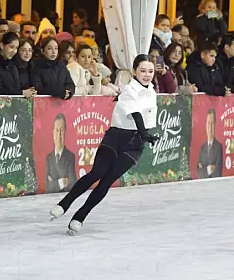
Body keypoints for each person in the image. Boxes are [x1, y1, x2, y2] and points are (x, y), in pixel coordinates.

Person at [49, 54, 159, 235]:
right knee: (98, 172)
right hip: (116, 138)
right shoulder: (128, 91)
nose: (147, 75)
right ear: (134, 71)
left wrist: (146, 135)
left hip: (135, 145)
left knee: (107, 181)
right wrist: (144, 132)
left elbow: (147, 118)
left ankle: (80, 216)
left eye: (150, 71)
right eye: (143, 71)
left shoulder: (152, 92)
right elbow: (136, 114)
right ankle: (64, 203)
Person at [45, 114, 77, 193]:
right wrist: (62, 182)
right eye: (57, 130)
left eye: (61, 130)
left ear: (65, 132)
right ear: (53, 133)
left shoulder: (70, 157)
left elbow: (73, 185)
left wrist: (53, 183)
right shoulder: (48, 158)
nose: (59, 135)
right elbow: (47, 187)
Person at [197, 109, 223, 179]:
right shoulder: (202, 148)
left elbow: (217, 173)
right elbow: (199, 173)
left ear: (215, 125)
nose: (210, 127)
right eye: (208, 123)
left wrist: (204, 170)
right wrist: (209, 169)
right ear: (206, 125)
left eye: (212, 123)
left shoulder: (219, 147)